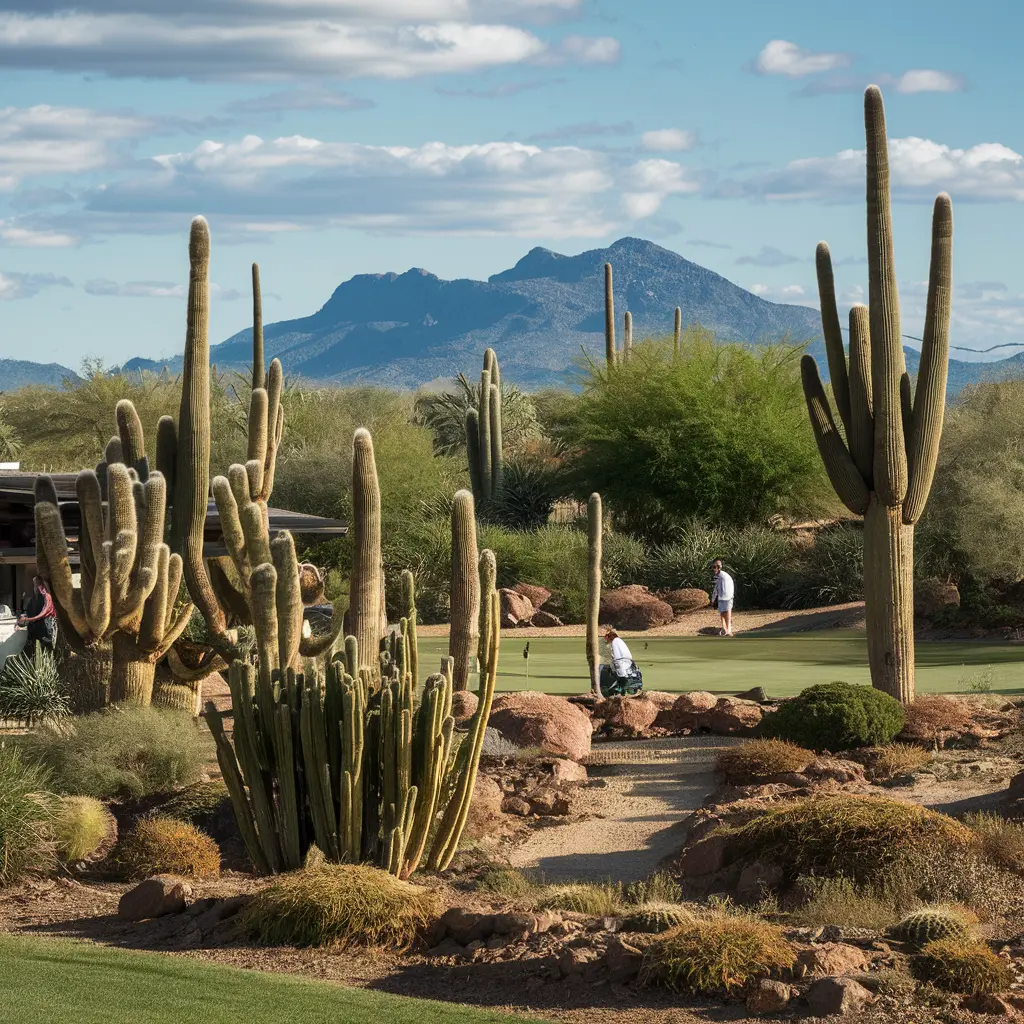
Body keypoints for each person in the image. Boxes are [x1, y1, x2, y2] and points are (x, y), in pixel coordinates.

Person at [599, 626, 643, 696]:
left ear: (609, 637)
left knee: (619, 676)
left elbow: (616, 655)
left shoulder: (615, 641)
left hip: (621, 663)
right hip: (627, 662)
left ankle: (616, 690)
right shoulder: (619, 640)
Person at [18, 575, 57, 653]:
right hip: (34, 627)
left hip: (45, 626)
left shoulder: (47, 596)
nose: (35, 586)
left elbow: (43, 613)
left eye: (36, 583)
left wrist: (28, 619)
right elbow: (29, 610)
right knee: (30, 646)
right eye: (34, 584)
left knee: (47, 647)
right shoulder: (35, 597)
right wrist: (23, 617)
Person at [711, 559, 735, 637]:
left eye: (716, 567)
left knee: (727, 612)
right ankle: (724, 629)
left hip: (727, 597)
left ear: (720, 567)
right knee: (722, 613)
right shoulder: (718, 576)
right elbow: (716, 589)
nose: (715, 569)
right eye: (714, 567)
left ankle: (729, 630)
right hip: (722, 597)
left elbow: (718, 589)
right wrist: (714, 599)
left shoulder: (723, 576)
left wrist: (713, 599)